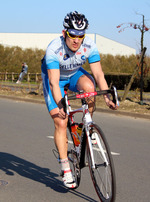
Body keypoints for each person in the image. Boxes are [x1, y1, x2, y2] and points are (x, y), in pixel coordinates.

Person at [41, 11, 118, 189]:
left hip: (75, 75)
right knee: (61, 121)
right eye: (72, 35)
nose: (76, 40)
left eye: (80, 35)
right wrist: (61, 104)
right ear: (64, 33)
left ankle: (86, 127)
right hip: (55, 79)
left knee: (90, 88)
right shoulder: (54, 49)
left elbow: (98, 73)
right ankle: (65, 166)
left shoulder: (89, 45)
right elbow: (53, 82)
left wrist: (106, 95)